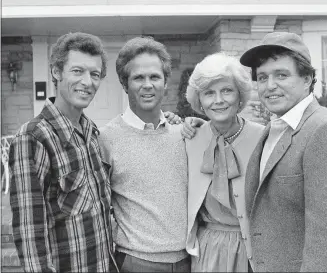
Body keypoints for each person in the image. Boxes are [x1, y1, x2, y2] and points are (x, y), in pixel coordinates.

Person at [239, 31, 327, 272]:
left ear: (307, 79)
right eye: (262, 77)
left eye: (281, 75)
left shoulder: (324, 130)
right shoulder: (275, 127)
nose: (269, 85)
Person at [8, 32, 119, 272]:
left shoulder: (91, 133)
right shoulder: (34, 137)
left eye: (95, 74)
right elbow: (30, 235)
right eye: (77, 71)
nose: (87, 82)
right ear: (56, 72)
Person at [98, 36, 191, 272]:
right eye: (138, 77)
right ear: (125, 83)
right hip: (135, 262)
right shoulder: (106, 139)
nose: (147, 84)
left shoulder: (184, 133)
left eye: (154, 77)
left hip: (189, 261)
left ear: (165, 82)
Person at [185, 53, 264, 272]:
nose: (218, 100)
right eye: (209, 93)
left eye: (226, 90)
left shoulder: (263, 139)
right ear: (199, 101)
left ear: (240, 95)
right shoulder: (190, 138)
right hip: (205, 250)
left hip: (252, 252)